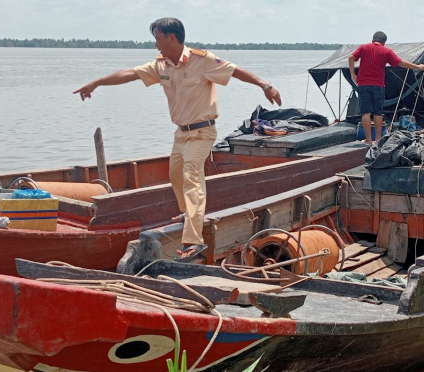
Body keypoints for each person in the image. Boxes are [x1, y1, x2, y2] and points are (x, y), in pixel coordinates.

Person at [74, 17, 282, 262]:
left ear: (171, 38)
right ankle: (188, 214)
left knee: (191, 175)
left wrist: (265, 85)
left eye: (158, 39)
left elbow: (234, 71)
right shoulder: (161, 66)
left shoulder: (202, 60)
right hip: (181, 133)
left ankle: (194, 240)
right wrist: (97, 83)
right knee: (174, 175)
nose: (156, 45)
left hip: (203, 131)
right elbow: (130, 73)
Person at [348, 31, 424, 145]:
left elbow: (351, 57)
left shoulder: (364, 47)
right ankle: (378, 139)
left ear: (373, 40)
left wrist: (353, 74)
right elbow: (400, 62)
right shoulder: (386, 51)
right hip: (378, 85)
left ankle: (368, 140)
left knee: (365, 113)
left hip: (363, 84)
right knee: (378, 113)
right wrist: (418, 67)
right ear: (384, 42)